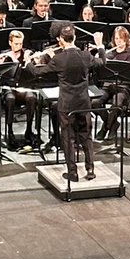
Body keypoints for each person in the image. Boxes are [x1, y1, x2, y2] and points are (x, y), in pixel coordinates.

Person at [30, 24, 104, 181]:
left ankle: (72, 172)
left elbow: (38, 72)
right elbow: (102, 62)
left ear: (60, 40)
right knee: (86, 136)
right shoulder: (85, 56)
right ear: (75, 38)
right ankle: (90, 169)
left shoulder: (59, 59)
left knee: (68, 138)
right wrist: (100, 46)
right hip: (83, 102)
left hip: (67, 104)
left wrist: (29, 63)